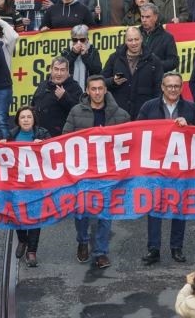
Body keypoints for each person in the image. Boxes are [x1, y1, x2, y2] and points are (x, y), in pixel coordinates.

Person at [137, 71, 195, 266]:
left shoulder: (191, 108)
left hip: (181, 168)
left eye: (176, 86)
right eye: (169, 86)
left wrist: (189, 125)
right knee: (154, 206)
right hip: (156, 168)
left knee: (179, 207)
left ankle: (177, 247)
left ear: (181, 88)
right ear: (162, 88)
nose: (173, 89)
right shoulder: (149, 107)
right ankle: (153, 249)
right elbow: (137, 131)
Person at [63, 75, 130, 269]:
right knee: (82, 210)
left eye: (101, 89)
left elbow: (129, 142)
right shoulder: (76, 112)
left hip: (108, 172)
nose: (98, 92)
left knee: (105, 213)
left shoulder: (120, 114)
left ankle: (100, 252)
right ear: (87, 91)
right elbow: (66, 138)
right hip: (83, 172)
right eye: (94, 89)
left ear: (105, 91)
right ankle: (83, 241)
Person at [10, 106, 51, 268]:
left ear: (34, 119)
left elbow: (55, 152)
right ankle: (22, 239)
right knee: (17, 215)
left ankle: (32, 251)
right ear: (18, 121)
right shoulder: (11, 135)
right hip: (16, 183)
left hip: (36, 184)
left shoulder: (43, 134)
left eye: (29, 117)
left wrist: (45, 145)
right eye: (22, 117)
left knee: (34, 216)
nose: (26, 120)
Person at [102, 26, 163, 119]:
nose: (134, 43)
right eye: (130, 40)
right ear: (125, 41)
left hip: (144, 115)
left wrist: (154, 111)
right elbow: (101, 81)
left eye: (136, 39)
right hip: (119, 114)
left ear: (142, 39)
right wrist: (112, 81)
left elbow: (159, 88)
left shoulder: (154, 60)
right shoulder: (115, 58)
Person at [31, 56, 83, 137]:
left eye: (62, 70)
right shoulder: (43, 85)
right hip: (39, 135)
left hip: (60, 138)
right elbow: (33, 105)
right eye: (56, 69)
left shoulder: (74, 87)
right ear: (51, 69)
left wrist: (64, 97)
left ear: (67, 72)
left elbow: (80, 113)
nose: (59, 73)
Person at [60, 25, 102, 91]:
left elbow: (97, 71)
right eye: (75, 40)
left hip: (88, 91)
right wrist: (73, 54)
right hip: (69, 90)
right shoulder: (66, 51)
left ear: (87, 40)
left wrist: (85, 56)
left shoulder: (93, 51)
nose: (78, 43)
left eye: (82, 40)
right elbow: (62, 68)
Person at [140, 3, 179, 71]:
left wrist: (155, 65)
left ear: (155, 17)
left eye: (147, 17)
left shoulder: (167, 38)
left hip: (157, 78)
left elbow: (173, 62)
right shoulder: (135, 34)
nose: (144, 20)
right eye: (142, 17)